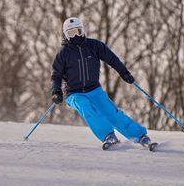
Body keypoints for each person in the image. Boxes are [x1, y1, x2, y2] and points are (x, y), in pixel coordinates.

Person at [51, 17, 152, 148]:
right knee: (86, 107)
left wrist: (124, 73)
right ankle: (108, 136)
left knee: (111, 112)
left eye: (78, 31)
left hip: (94, 90)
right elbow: (56, 75)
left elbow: (112, 59)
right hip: (74, 93)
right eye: (71, 33)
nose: (76, 35)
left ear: (83, 31)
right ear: (65, 35)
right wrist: (56, 91)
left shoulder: (94, 46)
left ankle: (140, 136)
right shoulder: (63, 54)